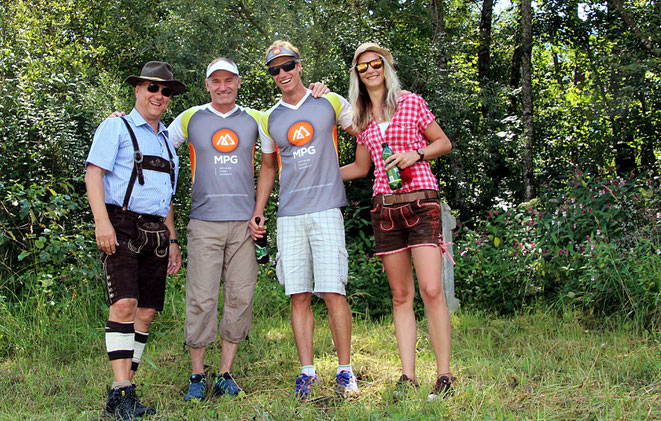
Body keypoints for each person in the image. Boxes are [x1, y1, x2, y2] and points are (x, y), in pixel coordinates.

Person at [163, 57, 330, 401]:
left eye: (229, 80)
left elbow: (294, 119)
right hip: (203, 222)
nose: (222, 87)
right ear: (206, 84)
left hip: (244, 226)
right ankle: (197, 374)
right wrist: (127, 121)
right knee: (201, 298)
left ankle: (225, 372)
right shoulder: (190, 118)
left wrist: (318, 94)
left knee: (240, 297)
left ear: (239, 83)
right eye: (216, 81)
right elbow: (156, 143)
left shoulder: (257, 118)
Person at [340, 42, 455, 400]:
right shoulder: (360, 117)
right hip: (385, 208)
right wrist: (313, 172)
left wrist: (415, 153)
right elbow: (361, 168)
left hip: (421, 201)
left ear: (386, 66)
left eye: (376, 63)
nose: (371, 70)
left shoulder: (411, 102)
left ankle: (445, 375)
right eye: (363, 67)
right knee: (401, 295)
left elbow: (444, 143)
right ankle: (408, 376)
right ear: (357, 75)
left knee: (431, 291)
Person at [249, 40, 359, 399]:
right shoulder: (270, 118)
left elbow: (363, 130)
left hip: (326, 209)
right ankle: (307, 373)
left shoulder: (328, 101)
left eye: (288, 66)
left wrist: (360, 168)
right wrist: (259, 209)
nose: (282, 74)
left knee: (332, 291)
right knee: (298, 295)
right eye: (275, 69)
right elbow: (267, 167)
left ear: (299, 65)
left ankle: (345, 371)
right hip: (289, 215)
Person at [85, 61, 185, 420]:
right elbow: (93, 174)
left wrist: (173, 241)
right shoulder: (117, 126)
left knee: (146, 312)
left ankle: (125, 391)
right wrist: (102, 223)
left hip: (157, 231)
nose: (159, 96)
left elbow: (166, 198)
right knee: (125, 304)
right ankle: (122, 390)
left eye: (165, 91)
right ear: (138, 90)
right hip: (121, 223)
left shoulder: (167, 143)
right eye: (152, 88)